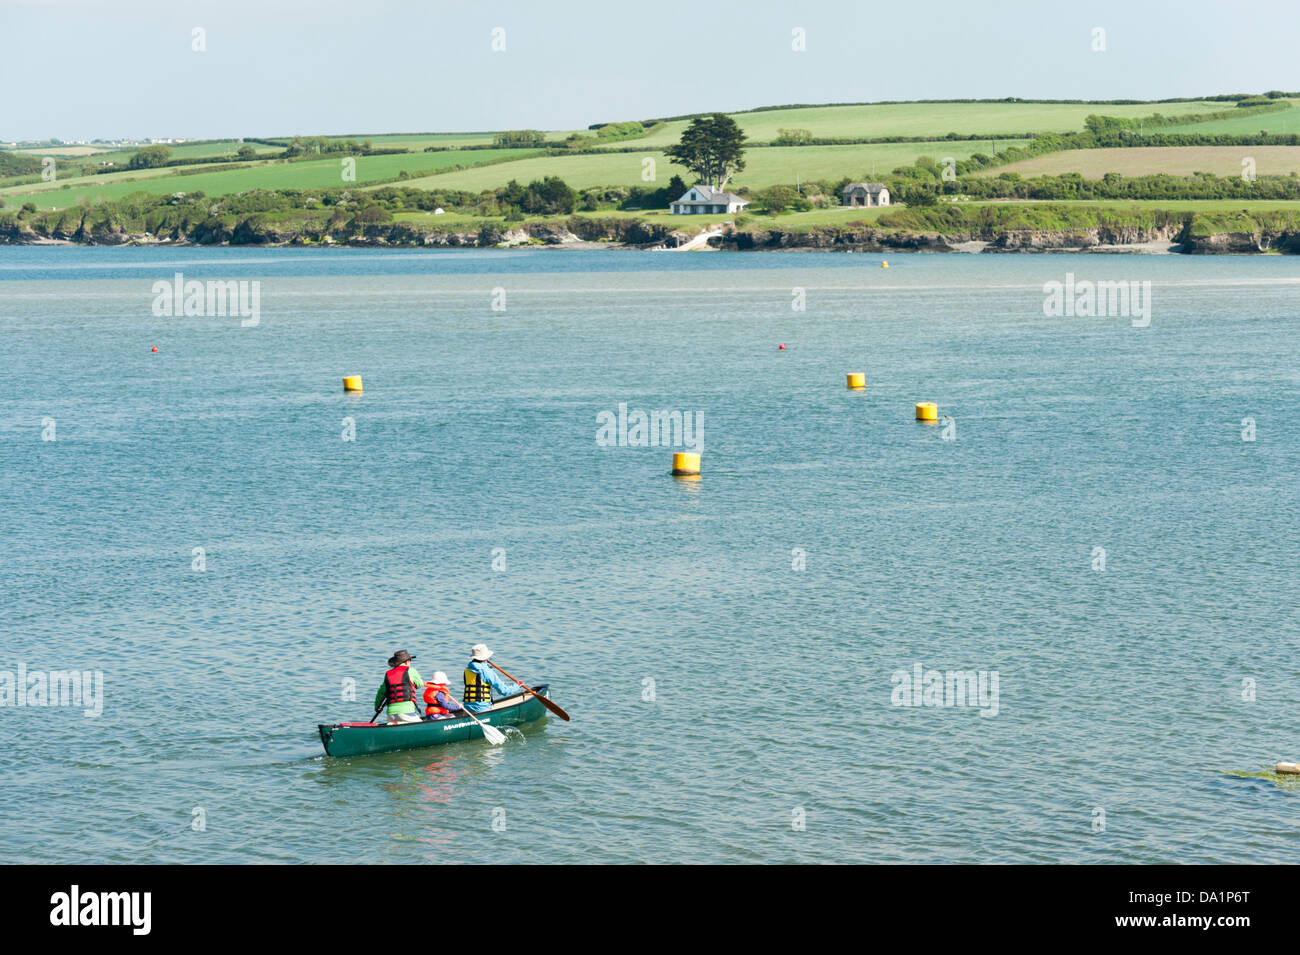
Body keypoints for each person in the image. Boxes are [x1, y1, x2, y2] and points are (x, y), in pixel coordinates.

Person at [463, 644, 522, 713]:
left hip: (467, 708)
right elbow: (503, 691)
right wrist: (517, 685)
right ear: (485, 657)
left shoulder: (467, 670)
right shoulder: (487, 671)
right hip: (482, 708)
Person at [375, 649, 425, 723]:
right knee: (421, 724)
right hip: (407, 713)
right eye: (410, 661)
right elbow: (420, 684)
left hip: (390, 715)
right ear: (406, 662)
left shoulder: (388, 674)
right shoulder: (411, 670)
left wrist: (377, 707)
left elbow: (381, 693)